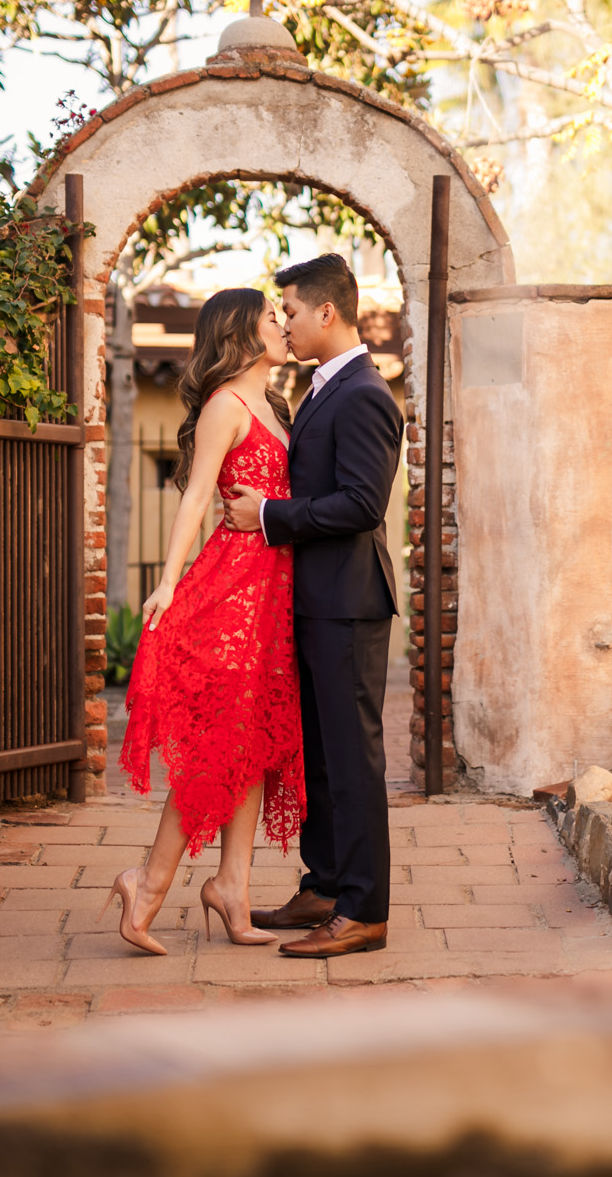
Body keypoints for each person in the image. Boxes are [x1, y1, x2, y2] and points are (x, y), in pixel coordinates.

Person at [109, 288, 299, 954]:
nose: (283, 324)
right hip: (234, 590)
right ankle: (147, 883)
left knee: (252, 747)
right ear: (240, 334)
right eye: (272, 317)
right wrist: (166, 581)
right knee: (221, 747)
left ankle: (231, 888)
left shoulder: (275, 405)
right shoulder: (226, 404)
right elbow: (196, 492)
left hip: (273, 596)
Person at [225, 252, 403, 957]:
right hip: (318, 600)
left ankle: (363, 910)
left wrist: (270, 516)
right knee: (324, 757)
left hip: (349, 604)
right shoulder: (324, 387)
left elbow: (362, 503)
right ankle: (326, 884)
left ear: (328, 312)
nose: (285, 325)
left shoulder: (363, 392)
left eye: (292, 311)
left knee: (354, 760)